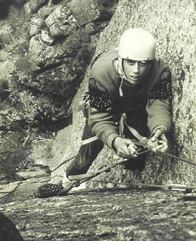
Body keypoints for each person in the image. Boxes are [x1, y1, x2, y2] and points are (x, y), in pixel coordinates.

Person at [36, 28, 172, 198]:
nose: (136, 70)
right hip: (106, 108)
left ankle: (131, 161)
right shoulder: (101, 73)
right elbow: (99, 117)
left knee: (134, 160)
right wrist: (114, 140)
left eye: (142, 63)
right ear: (121, 58)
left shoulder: (160, 72)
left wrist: (160, 129)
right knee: (86, 155)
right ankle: (66, 182)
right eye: (130, 62)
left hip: (135, 109)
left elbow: (159, 104)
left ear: (150, 63)